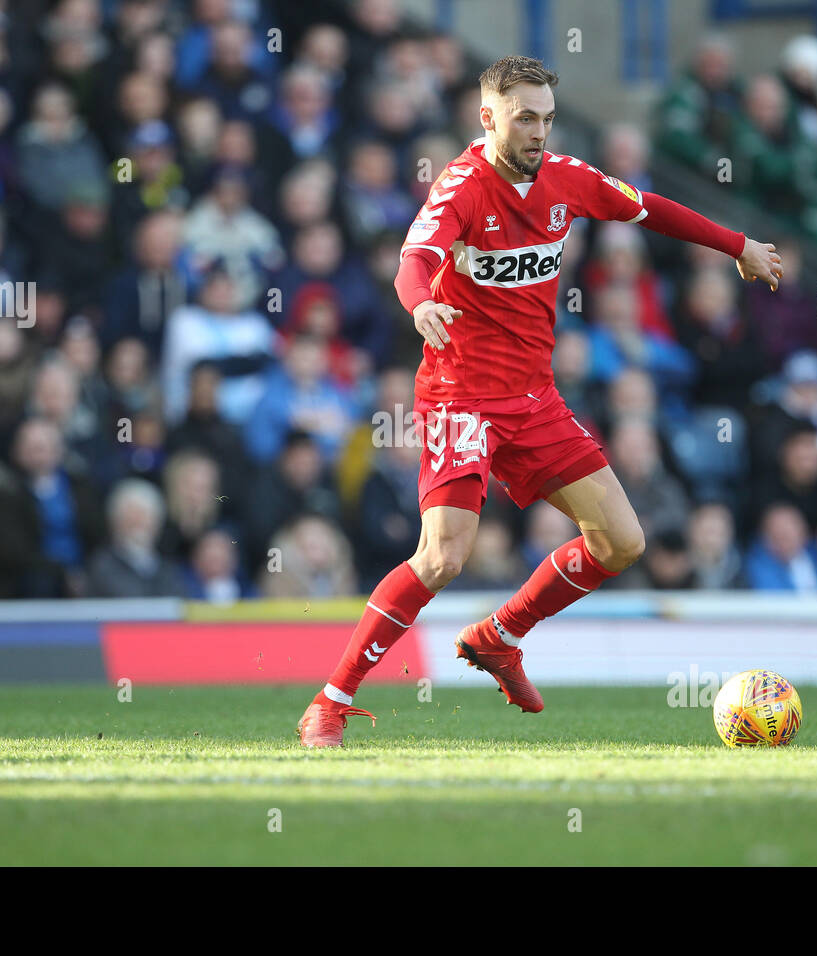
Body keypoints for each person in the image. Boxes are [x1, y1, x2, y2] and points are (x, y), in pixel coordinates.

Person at [297, 55, 782, 746]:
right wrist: (420, 307)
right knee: (443, 557)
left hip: (534, 398)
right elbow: (414, 261)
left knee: (622, 541)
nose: (539, 132)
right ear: (488, 117)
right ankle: (331, 702)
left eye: (547, 118)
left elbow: (649, 208)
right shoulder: (461, 188)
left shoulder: (568, 179)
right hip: (461, 395)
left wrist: (737, 245)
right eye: (525, 117)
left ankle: (500, 635)